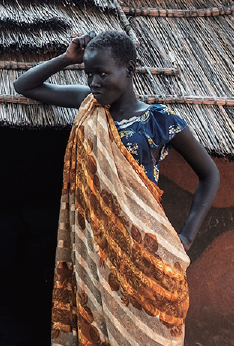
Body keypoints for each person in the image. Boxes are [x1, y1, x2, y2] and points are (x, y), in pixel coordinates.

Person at [14, 31, 219, 345]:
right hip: (96, 251)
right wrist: (68, 58)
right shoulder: (88, 105)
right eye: (89, 74)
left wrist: (187, 236)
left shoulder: (159, 120)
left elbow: (210, 174)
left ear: (130, 69)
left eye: (103, 74)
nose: (95, 82)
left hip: (148, 251)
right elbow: (25, 86)